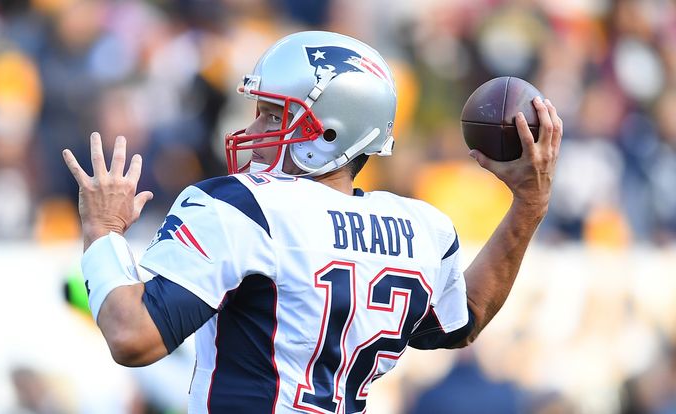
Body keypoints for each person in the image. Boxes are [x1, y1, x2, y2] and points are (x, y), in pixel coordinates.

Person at [62, 31, 562, 413]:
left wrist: (102, 231)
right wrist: (528, 207)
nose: (253, 130)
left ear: (327, 132)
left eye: (273, 116)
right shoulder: (419, 228)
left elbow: (133, 338)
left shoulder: (243, 205)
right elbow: (463, 320)